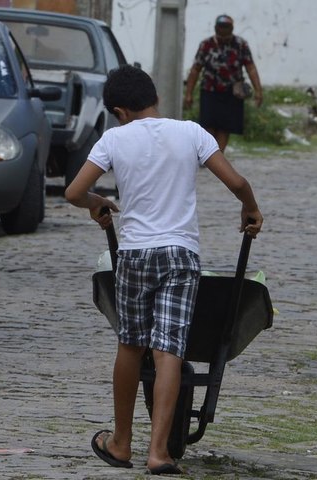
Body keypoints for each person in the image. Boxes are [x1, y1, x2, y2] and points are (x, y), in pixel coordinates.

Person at [65, 65, 262, 475]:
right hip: (180, 253)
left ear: (119, 110)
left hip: (135, 253)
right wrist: (251, 208)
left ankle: (120, 443)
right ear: (153, 98)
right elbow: (237, 182)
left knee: (130, 345)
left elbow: (74, 191)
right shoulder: (191, 132)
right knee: (169, 348)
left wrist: (97, 204)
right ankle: (159, 453)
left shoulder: (114, 139)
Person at [183, 14, 263, 151]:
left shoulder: (241, 45)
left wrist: (258, 91)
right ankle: (207, 154)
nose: (224, 30)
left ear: (232, 28)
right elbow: (196, 69)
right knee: (208, 125)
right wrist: (188, 94)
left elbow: (251, 68)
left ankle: (218, 156)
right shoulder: (206, 45)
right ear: (215, 28)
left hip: (232, 93)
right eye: (221, 27)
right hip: (209, 91)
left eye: (227, 27)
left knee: (225, 127)